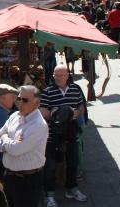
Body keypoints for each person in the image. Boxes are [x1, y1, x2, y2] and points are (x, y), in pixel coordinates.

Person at [40, 64, 88, 206]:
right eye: (56, 75)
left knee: (73, 161)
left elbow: (81, 106)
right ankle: (49, 195)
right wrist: (55, 115)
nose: (59, 77)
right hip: (53, 132)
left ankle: (72, 189)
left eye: (62, 75)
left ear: (68, 75)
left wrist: (76, 113)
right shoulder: (48, 91)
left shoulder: (75, 89)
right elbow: (43, 111)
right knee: (50, 165)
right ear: (53, 76)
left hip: (71, 130)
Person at [0, 85, 48, 207]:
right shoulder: (14, 116)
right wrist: (10, 140)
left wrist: (5, 139)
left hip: (28, 181)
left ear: (37, 103)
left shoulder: (39, 125)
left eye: (25, 100)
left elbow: (15, 150)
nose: (20, 103)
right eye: (18, 99)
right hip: (9, 176)